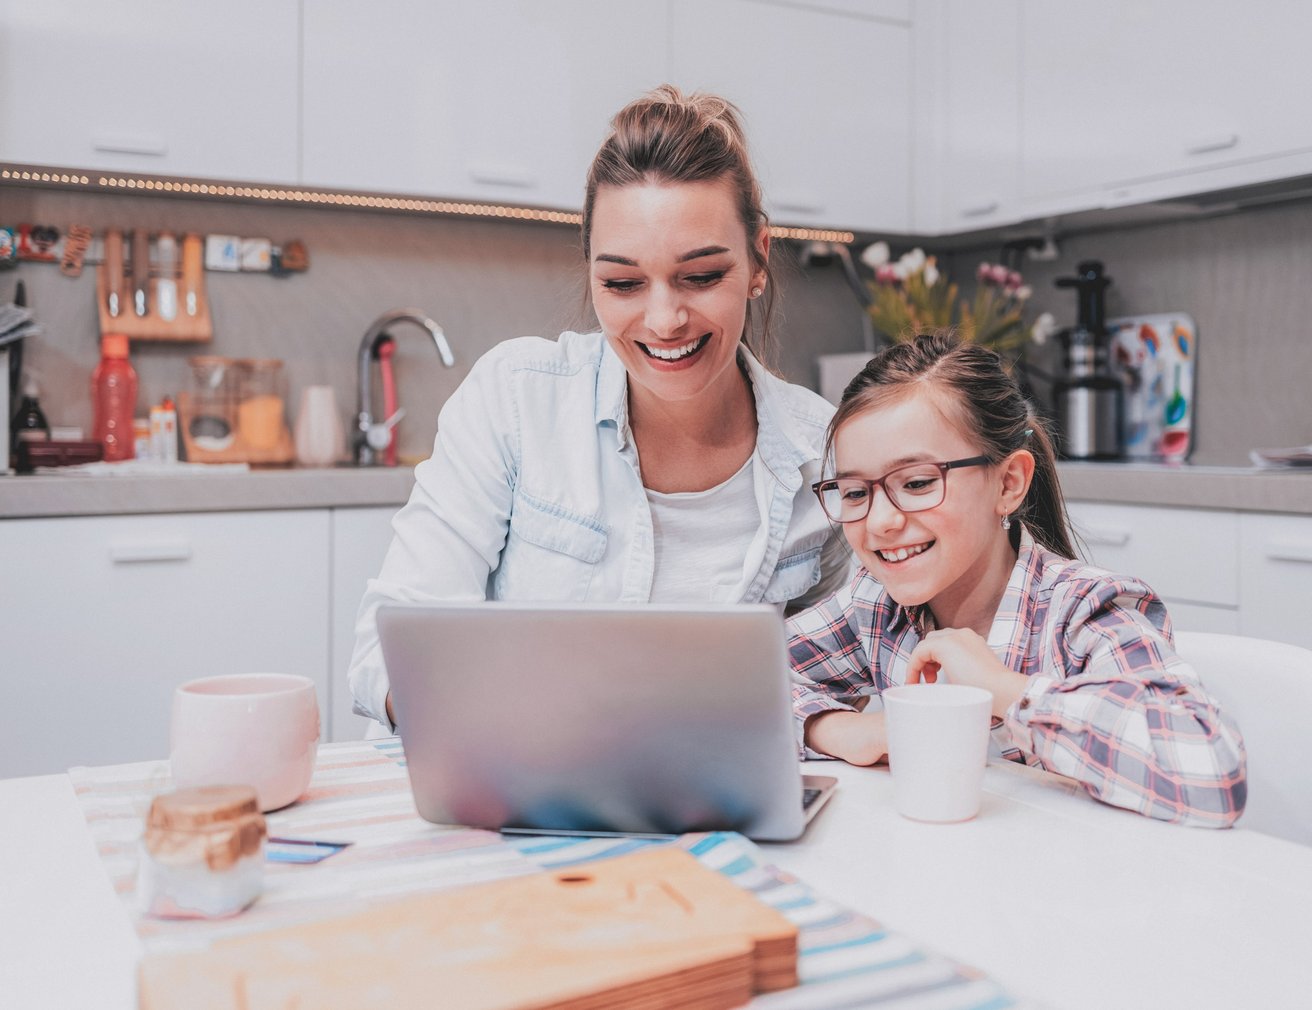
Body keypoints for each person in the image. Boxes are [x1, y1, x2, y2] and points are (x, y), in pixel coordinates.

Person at [349, 85, 849, 731]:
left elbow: (850, 674)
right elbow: (385, 653)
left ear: (758, 259)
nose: (664, 319)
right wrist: (478, 721)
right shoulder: (517, 398)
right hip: (519, 790)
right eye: (622, 283)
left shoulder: (824, 456)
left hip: (721, 806)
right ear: (589, 270)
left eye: (700, 276)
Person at [789, 331, 1247, 827]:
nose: (879, 522)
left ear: (1008, 483)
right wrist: (833, 728)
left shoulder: (1086, 610)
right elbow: (736, 685)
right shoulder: (874, 606)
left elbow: (1210, 775)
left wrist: (1002, 688)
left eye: (918, 483)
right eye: (855, 493)